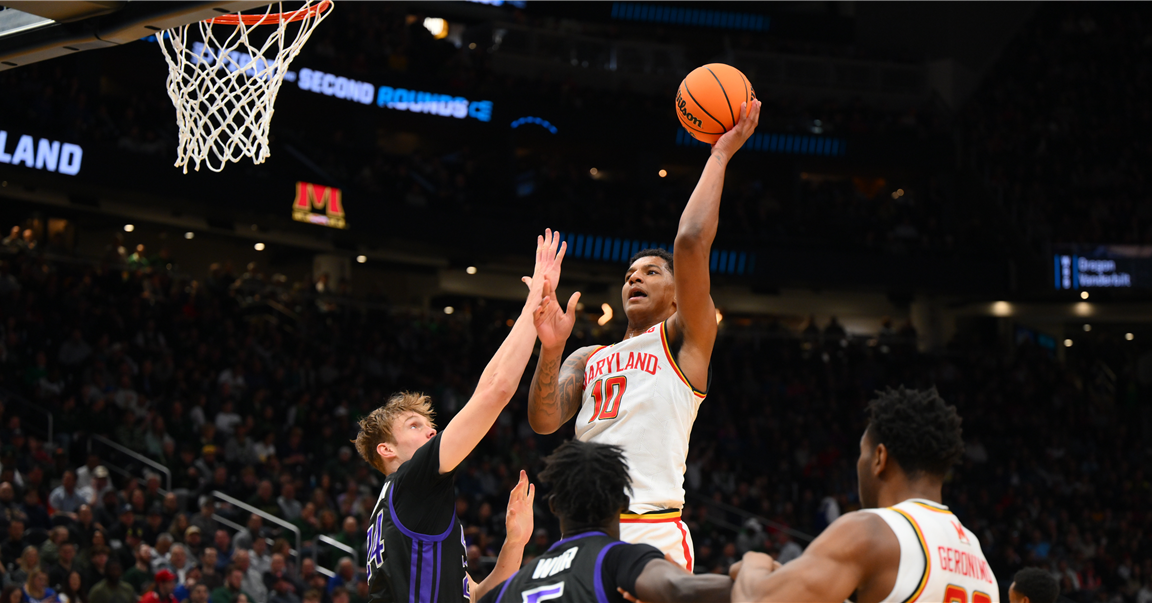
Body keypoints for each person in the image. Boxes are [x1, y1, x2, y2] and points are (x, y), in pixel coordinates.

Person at [526, 101, 762, 570]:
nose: (635, 278)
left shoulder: (683, 341)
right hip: (582, 529)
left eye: (652, 272)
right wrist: (550, 351)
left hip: (650, 529)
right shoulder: (591, 354)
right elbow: (543, 421)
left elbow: (691, 241)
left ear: (679, 297)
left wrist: (719, 154)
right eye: (631, 273)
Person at [355, 231, 564, 603]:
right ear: (386, 449)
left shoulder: (408, 507)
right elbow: (496, 392)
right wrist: (534, 303)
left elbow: (481, 597)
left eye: (428, 423)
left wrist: (515, 542)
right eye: (414, 426)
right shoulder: (411, 482)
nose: (431, 429)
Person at [732, 387, 1000, 603]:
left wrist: (755, 564)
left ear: (879, 458)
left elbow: (755, 599)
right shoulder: (982, 564)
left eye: (863, 453)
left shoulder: (872, 531)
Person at [478, 440, 733, 603]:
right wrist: (749, 577)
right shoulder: (616, 559)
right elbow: (679, 588)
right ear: (623, 503)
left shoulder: (510, 588)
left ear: (554, 506)